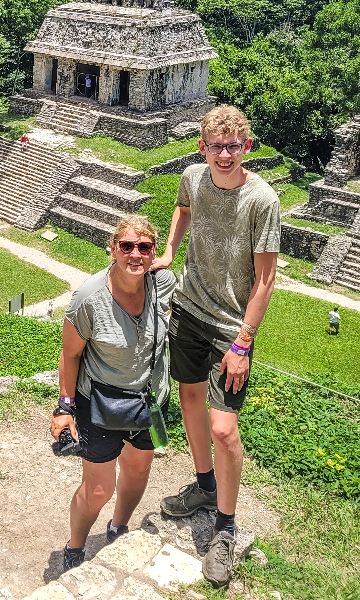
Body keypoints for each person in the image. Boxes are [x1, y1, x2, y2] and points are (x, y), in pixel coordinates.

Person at [150, 105, 280, 588]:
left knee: (224, 428)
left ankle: (225, 526)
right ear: (202, 147)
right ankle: (205, 486)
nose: (224, 155)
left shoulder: (261, 199)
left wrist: (244, 341)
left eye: (233, 145)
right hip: (188, 307)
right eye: (215, 146)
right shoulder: (192, 176)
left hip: (230, 325)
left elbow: (265, 279)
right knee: (188, 399)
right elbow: (183, 207)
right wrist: (168, 252)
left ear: (246, 146)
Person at [53, 216, 176, 573]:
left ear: (153, 252)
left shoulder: (163, 283)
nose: (135, 254)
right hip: (102, 403)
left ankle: (118, 527)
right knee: (97, 489)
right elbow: (71, 354)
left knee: (138, 471)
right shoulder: (89, 298)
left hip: (149, 400)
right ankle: (75, 546)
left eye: (144, 247)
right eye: (126, 246)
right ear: (112, 249)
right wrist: (64, 407)